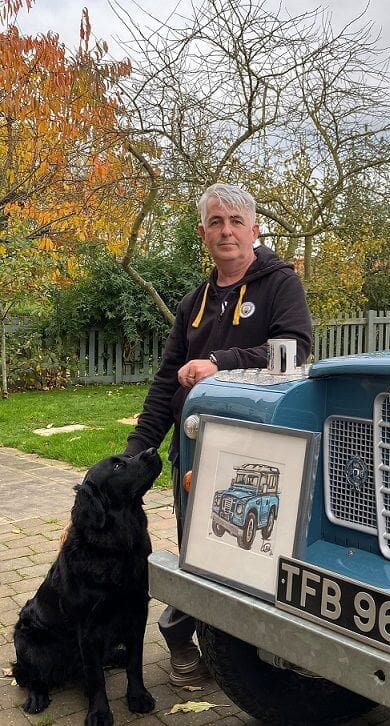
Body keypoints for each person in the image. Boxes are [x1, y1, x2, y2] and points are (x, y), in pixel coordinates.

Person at [123, 183, 312, 685]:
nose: (225, 231)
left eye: (235, 221)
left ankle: (255, 651)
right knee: (196, 545)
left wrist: (219, 365)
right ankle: (182, 637)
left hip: (259, 447)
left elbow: (294, 348)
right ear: (203, 232)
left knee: (257, 550)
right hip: (194, 445)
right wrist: (135, 451)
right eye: (215, 222)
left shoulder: (280, 286)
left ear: (254, 229)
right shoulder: (193, 303)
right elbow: (167, 382)